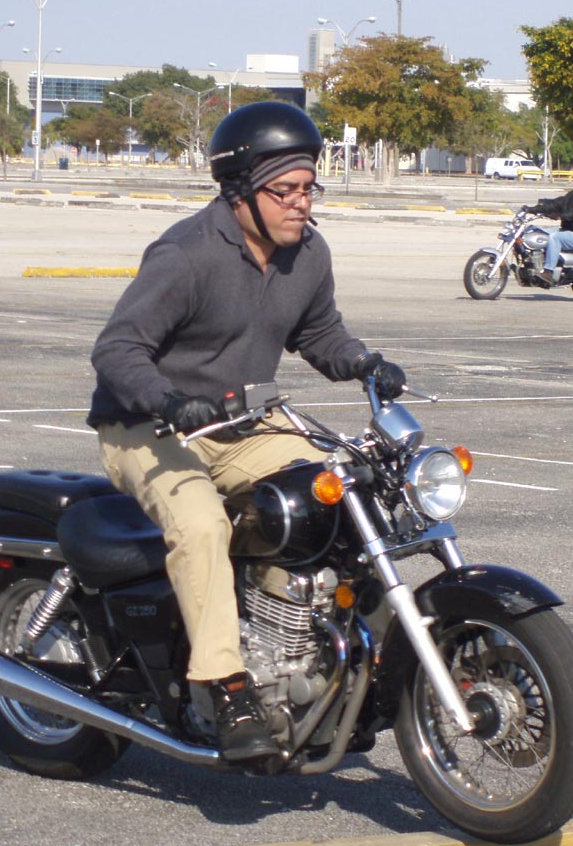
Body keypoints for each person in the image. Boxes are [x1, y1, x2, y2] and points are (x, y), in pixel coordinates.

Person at [85, 101, 405, 763]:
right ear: (240, 191)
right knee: (203, 525)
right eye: (284, 190)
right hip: (148, 426)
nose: (301, 203)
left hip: (243, 426)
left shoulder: (307, 253)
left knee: (338, 489)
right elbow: (117, 350)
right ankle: (225, 687)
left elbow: (319, 333)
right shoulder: (186, 254)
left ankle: (314, 644)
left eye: (309, 187)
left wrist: (363, 362)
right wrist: (170, 401)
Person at [524, 161, 573, 285]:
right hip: (566, 231)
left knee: (554, 238)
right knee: (537, 232)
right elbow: (557, 204)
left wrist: (560, 216)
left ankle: (549, 272)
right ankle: (531, 265)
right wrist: (533, 209)